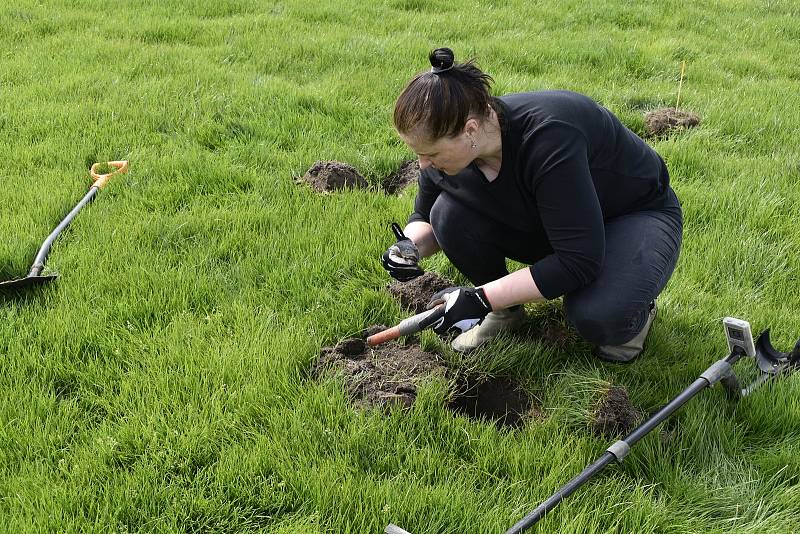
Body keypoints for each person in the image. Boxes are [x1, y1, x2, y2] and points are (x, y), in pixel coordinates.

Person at [381, 47, 683, 362]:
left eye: (430, 153)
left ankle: (633, 315)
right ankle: (506, 313)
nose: (423, 164)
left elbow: (578, 261)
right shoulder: (451, 157)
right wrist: (408, 247)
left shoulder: (549, 138)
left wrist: (480, 299)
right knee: (447, 214)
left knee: (597, 315)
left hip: (632, 215)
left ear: (469, 130)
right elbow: (426, 215)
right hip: (555, 218)